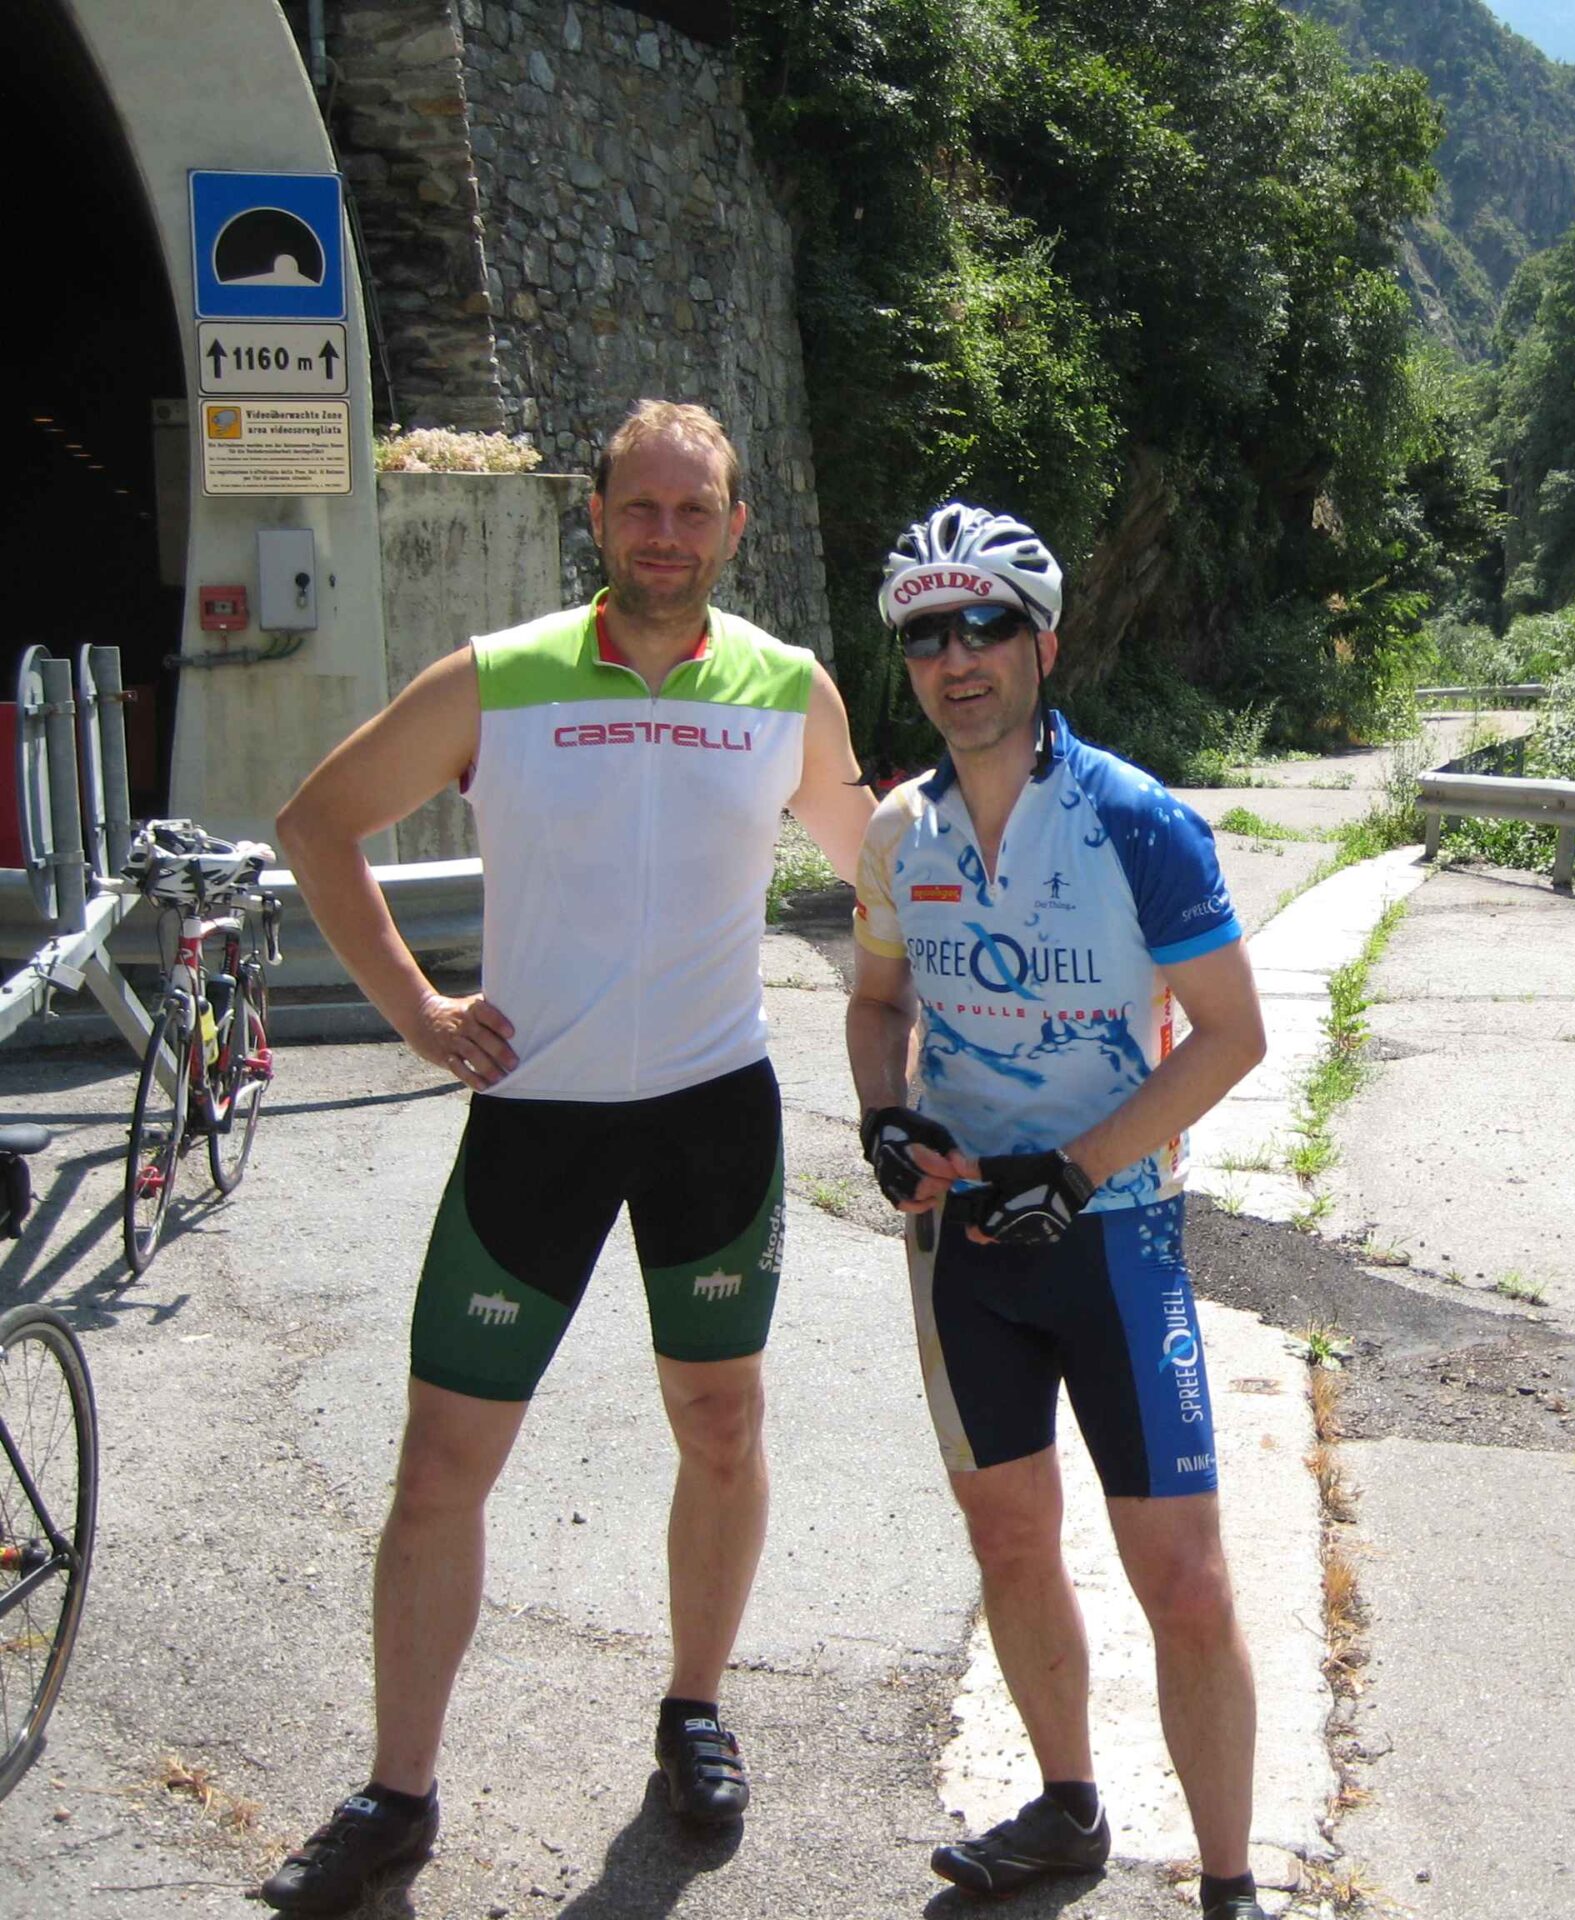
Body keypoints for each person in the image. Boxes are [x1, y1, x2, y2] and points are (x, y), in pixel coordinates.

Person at [259, 400, 874, 1915]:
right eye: (640, 508)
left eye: (694, 510)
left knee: (721, 1425)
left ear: (735, 528)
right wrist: (417, 1010)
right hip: (534, 1121)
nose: (666, 535)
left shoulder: (786, 688)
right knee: (441, 1466)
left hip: (712, 1116)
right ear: (595, 517)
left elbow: (890, 873)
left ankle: (695, 1711)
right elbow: (318, 823)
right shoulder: (501, 676)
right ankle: (398, 1792)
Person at [845, 504, 1272, 1919]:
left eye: (985, 625)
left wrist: (1081, 1167)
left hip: (1116, 1239)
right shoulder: (898, 831)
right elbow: (877, 1003)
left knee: (1185, 1580)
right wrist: (884, 1113)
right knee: (1011, 1541)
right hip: (966, 1245)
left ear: (1042, 642)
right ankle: (1068, 1808)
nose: (956, 657)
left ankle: (1228, 1886)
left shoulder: (1137, 820)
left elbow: (1232, 1034)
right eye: (927, 633)